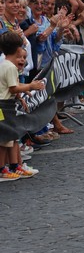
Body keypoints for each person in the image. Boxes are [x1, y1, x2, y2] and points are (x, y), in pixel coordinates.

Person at [0, 32, 44, 180]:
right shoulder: (10, 67)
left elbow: (11, 86)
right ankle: (2, 169)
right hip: (3, 106)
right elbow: (13, 88)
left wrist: (21, 96)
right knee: (4, 139)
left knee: (12, 137)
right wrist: (30, 86)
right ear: (18, 48)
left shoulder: (6, 65)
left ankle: (14, 166)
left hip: (7, 104)